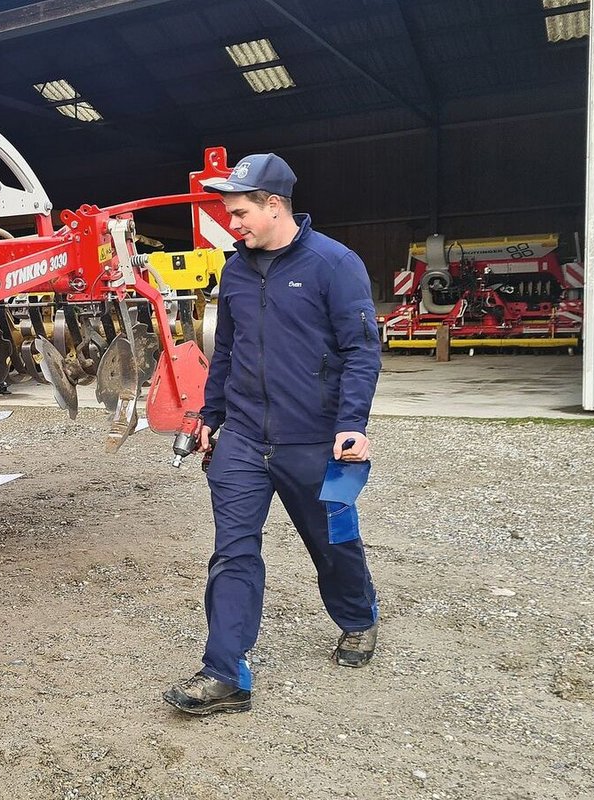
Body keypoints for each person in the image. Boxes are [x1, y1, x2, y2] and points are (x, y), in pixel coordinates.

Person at [163, 153, 382, 717]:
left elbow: (361, 351)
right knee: (232, 553)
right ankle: (225, 672)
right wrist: (210, 416)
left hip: (314, 441)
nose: (232, 225)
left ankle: (357, 618)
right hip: (242, 440)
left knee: (332, 541)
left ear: (275, 205)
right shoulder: (236, 270)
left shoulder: (335, 264)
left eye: (239, 213)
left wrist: (352, 425)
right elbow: (227, 351)